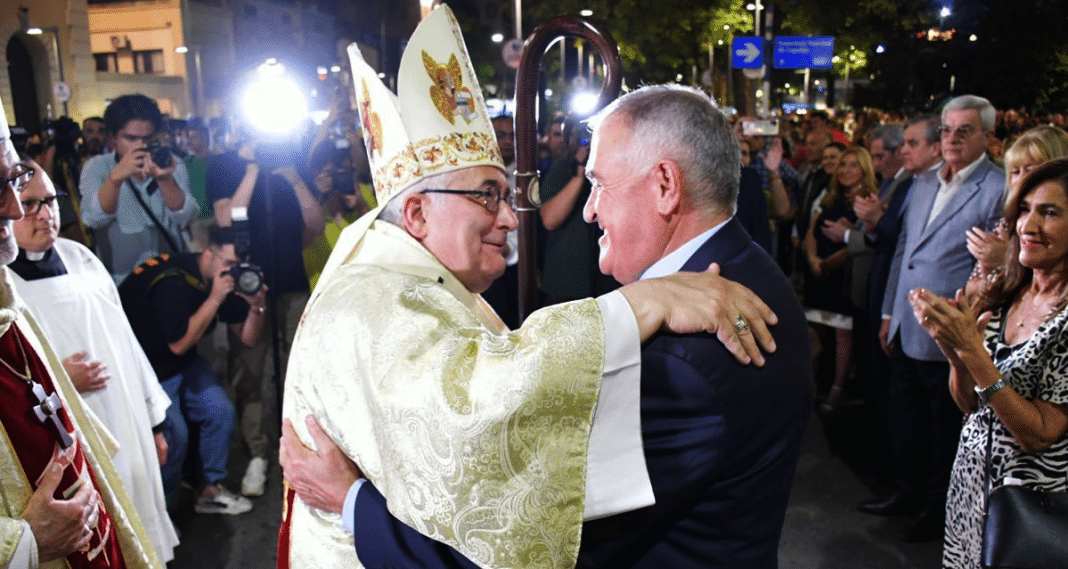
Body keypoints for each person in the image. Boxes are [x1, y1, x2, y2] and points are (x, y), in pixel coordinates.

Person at [280, 20, 810, 567]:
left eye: (599, 183)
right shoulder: (743, 277)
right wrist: (643, 302)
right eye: (487, 196)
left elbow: (542, 535)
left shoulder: (691, 350)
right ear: (415, 213)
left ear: (665, 186)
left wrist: (351, 503)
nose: (586, 208)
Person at [0, 100, 162, 569]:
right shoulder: (19, 284)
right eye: (17, 198)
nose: (18, 211)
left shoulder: (68, 264)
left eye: (18, 185)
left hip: (113, 419)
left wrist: (152, 416)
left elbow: (124, 339)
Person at [909, 157, 1068, 568]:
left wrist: (974, 354)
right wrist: (954, 348)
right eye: (1025, 210)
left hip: (1034, 511)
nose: (1027, 226)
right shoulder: (1006, 292)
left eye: (1049, 213)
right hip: (971, 493)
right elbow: (969, 405)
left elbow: (1039, 434)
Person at [862, 95, 1006, 542]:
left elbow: (996, 269)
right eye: (946, 129)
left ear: (987, 136)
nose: (952, 139)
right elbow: (904, 251)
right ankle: (905, 492)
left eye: (965, 130)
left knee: (944, 429)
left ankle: (934, 509)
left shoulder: (996, 188)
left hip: (951, 333)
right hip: (907, 322)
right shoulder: (923, 183)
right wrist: (890, 311)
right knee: (905, 419)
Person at [205, 126, 325, 497]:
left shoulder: (291, 164)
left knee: (302, 370)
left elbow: (316, 227)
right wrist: (254, 169)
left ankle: (305, 447)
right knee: (250, 372)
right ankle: (258, 453)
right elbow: (227, 218)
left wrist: (292, 177)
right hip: (246, 287)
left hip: (291, 284)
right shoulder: (223, 165)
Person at [118, 225, 265, 515]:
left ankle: (208, 489)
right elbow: (179, 344)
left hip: (183, 364)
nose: (232, 272)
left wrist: (256, 307)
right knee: (175, 438)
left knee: (219, 411)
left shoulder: (227, 280)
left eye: (239, 266)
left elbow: (247, 338)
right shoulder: (172, 282)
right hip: (148, 368)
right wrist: (215, 298)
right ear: (208, 253)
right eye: (228, 264)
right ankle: (160, 512)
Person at [80, 94, 199, 284]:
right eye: (130, 138)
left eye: (148, 138)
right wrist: (116, 178)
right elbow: (94, 219)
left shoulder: (172, 163)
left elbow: (185, 217)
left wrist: (165, 179)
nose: (140, 146)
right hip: (121, 281)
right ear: (113, 138)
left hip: (171, 275)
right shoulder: (97, 167)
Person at [964, 125, 1068, 298]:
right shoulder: (1006, 224)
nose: (1021, 179)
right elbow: (972, 290)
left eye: (1030, 169)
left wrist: (1009, 261)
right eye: (1015, 172)